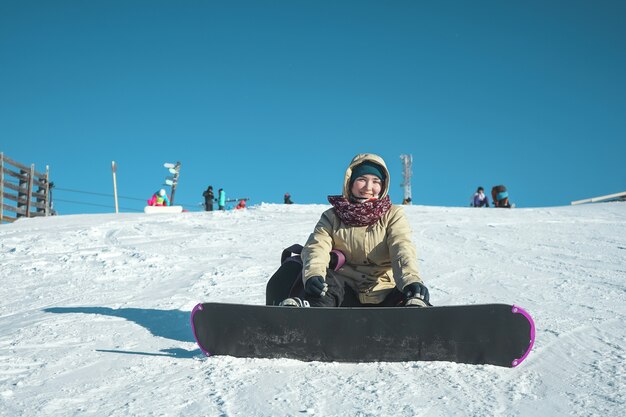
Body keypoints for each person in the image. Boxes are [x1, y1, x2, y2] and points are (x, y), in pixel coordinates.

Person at [282, 153, 429, 308]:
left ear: (383, 186)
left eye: (376, 181)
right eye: (361, 180)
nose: (368, 187)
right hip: (343, 290)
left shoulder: (393, 214)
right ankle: (307, 314)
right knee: (326, 284)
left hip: (384, 290)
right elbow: (317, 247)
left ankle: (414, 314)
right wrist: (314, 275)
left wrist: (410, 279)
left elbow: (402, 247)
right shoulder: (332, 217)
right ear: (350, 182)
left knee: (407, 293)